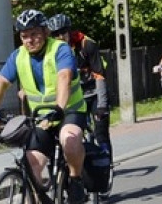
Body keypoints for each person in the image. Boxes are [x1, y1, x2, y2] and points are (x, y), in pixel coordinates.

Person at [0, 9, 88, 204]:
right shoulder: (18, 56)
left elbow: (64, 77)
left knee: (69, 140)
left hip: (70, 110)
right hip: (42, 118)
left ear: (46, 32)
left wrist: (59, 107)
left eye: (34, 34)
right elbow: (0, 83)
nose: (29, 40)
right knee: (32, 162)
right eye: (24, 36)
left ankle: (75, 181)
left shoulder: (60, 49)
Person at [47, 13, 113, 157]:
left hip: (95, 92)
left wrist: (102, 105)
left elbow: (99, 75)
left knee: (100, 130)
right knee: (72, 134)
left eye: (63, 32)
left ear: (69, 30)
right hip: (77, 97)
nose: (60, 37)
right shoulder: (53, 50)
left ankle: (106, 162)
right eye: (55, 34)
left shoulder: (87, 44)